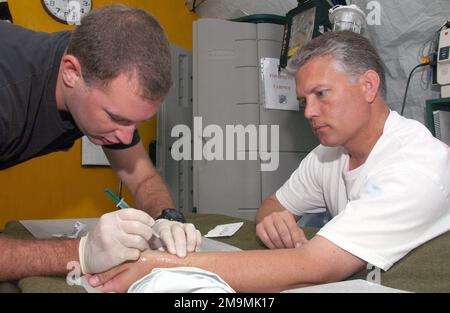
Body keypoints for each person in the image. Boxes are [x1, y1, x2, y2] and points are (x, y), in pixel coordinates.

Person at [87, 31, 449, 293]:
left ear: (369, 86)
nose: (309, 112)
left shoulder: (414, 166)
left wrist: (160, 266)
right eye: (304, 100)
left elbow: (314, 266)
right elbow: (273, 205)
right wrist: (273, 219)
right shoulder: (328, 155)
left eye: (321, 94)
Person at [0, 4, 201, 282]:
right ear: (71, 72)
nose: (125, 136)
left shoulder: (93, 70)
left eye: (135, 123)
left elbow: (142, 177)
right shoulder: (8, 92)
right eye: (116, 118)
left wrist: (167, 217)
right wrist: (82, 252)